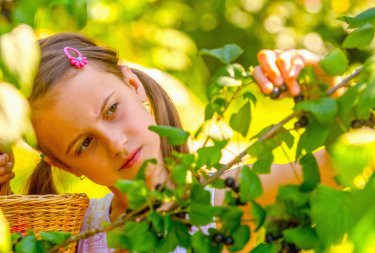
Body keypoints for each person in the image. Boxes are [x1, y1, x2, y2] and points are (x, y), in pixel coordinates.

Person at [0, 33, 339, 252]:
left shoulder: (225, 198)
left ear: (133, 85)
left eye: (112, 110)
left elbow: (347, 165)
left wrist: (332, 93)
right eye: (84, 144)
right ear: (63, 164)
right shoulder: (77, 232)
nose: (116, 143)